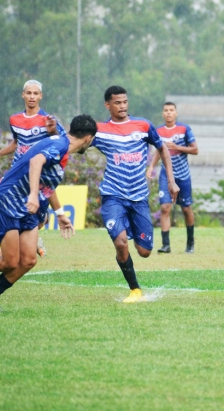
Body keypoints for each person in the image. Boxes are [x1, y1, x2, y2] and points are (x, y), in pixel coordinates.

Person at [0, 114, 97, 312]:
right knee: (9, 261)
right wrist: (32, 194)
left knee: (29, 260)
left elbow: (47, 183)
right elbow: (36, 162)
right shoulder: (61, 146)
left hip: (28, 206)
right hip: (8, 199)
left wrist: (60, 213)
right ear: (88, 139)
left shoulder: (63, 141)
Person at [92, 86, 179, 303]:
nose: (122, 106)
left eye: (125, 102)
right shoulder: (100, 130)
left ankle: (130, 237)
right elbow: (74, 142)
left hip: (139, 197)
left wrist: (171, 180)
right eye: (117, 103)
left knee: (144, 251)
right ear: (108, 105)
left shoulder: (143, 125)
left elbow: (163, 148)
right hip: (112, 195)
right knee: (121, 243)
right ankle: (135, 290)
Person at [0, 79, 66, 257]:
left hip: (38, 174)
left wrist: (52, 131)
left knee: (37, 215)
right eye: (29, 93)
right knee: (8, 204)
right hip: (17, 172)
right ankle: (13, 243)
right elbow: (17, 142)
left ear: (41, 96)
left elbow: (62, 141)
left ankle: (37, 229)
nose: (32, 96)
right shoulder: (15, 119)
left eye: (35, 93)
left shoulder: (48, 120)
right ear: (23, 95)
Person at [146, 102, 198, 254]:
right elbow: (158, 151)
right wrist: (151, 166)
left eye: (171, 110)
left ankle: (190, 243)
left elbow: (195, 149)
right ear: (163, 114)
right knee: (164, 208)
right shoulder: (159, 131)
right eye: (166, 110)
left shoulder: (184, 129)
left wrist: (177, 147)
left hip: (183, 175)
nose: (168, 113)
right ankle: (166, 245)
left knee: (186, 209)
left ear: (176, 113)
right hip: (166, 176)